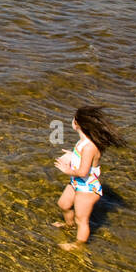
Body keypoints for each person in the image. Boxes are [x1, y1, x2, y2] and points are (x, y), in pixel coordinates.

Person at [52, 106, 126, 249]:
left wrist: (66, 170)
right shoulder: (83, 142)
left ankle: (78, 245)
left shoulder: (89, 147)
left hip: (87, 188)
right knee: (63, 204)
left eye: (74, 118)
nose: (72, 120)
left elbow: (83, 172)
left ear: (78, 124)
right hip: (77, 183)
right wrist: (72, 155)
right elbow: (83, 161)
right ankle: (69, 225)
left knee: (82, 219)